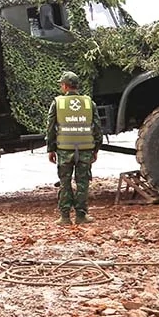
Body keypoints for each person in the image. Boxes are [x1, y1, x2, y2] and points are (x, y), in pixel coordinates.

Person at [45, 71, 103, 225]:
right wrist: (96, 149)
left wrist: (50, 149)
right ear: (77, 86)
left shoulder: (57, 103)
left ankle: (65, 217)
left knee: (65, 183)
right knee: (83, 183)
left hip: (64, 150)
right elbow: (97, 128)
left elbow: (50, 128)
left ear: (65, 86)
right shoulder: (88, 103)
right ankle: (81, 216)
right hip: (85, 149)